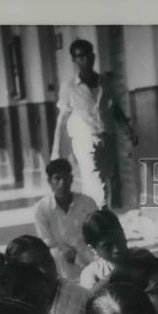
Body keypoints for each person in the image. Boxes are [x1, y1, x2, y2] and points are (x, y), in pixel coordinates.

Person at [50, 39, 138, 208]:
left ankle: (90, 217)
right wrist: (56, 148)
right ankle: (100, 220)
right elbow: (62, 117)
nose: (85, 59)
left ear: (94, 56)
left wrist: (128, 130)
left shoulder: (105, 82)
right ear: (74, 60)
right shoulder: (68, 87)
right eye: (80, 56)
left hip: (107, 137)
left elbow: (114, 108)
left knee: (105, 179)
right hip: (84, 140)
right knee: (95, 182)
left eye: (88, 55)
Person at [6, 235, 92, 314]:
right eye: (32, 267)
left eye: (47, 261)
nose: (44, 271)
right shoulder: (13, 308)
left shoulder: (82, 297)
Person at [33, 158, 99, 282]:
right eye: (57, 178)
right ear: (49, 181)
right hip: (62, 256)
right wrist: (66, 251)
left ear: (71, 179)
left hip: (87, 251)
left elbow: (97, 230)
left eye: (66, 178)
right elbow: (47, 240)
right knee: (55, 256)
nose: (62, 183)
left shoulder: (87, 202)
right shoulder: (41, 209)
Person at [79, 208, 131, 291]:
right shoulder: (91, 274)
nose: (116, 249)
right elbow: (89, 299)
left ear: (123, 233)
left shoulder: (141, 256)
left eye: (119, 239)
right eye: (107, 247)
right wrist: (116, 274)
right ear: (93, 249)